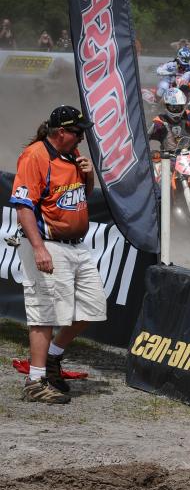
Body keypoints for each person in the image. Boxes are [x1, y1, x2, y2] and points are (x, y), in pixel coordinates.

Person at [9, 106, 107, 404]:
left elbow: (80, 196)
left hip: (76, 245)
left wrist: (88, 176)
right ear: (61, 132)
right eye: (78, 132)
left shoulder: (72, 154)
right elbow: (24, 206)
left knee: (92, 308)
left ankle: (52, 358)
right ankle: (35, 381)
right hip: (49, 244)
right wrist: (38, 248)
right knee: (45, 313)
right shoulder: (35, 156)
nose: (82, 138)